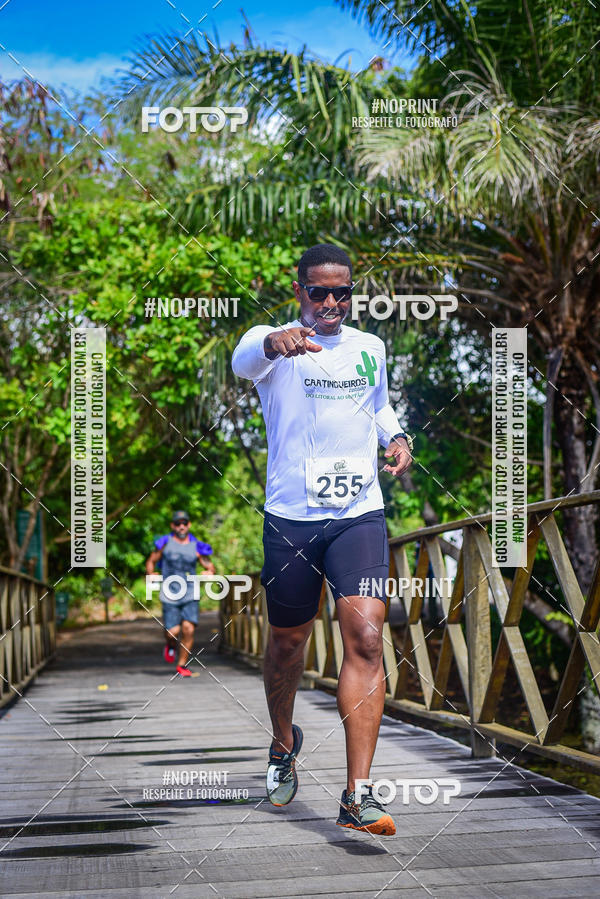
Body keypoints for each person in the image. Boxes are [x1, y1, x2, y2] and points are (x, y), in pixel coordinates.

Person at [231, 244, 413, 835]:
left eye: (342, 291)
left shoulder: (370, 347)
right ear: (299, 289)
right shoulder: (272, 343)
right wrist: (274, 342)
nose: (331, 302)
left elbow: (378, 405)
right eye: (318, 291)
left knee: (365, 636)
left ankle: (358, 794)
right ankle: (283, 743)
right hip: (290, 518)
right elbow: (242, 361)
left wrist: (397, 437)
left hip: (359, 513)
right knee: (287, 644)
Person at [145, 511, 216, 677]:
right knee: (173, 632)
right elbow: (151, 561)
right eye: (178, 523)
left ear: (189, 525)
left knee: (188, 629)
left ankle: (182, 664)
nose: (181, 526)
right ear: (173, 526)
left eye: (184, 523)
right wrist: (151, 573)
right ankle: (170, 644)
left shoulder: (196, 545)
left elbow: (209, 566)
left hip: (190, 591)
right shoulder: (164, 543)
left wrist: (209, 572)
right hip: (170, 591)